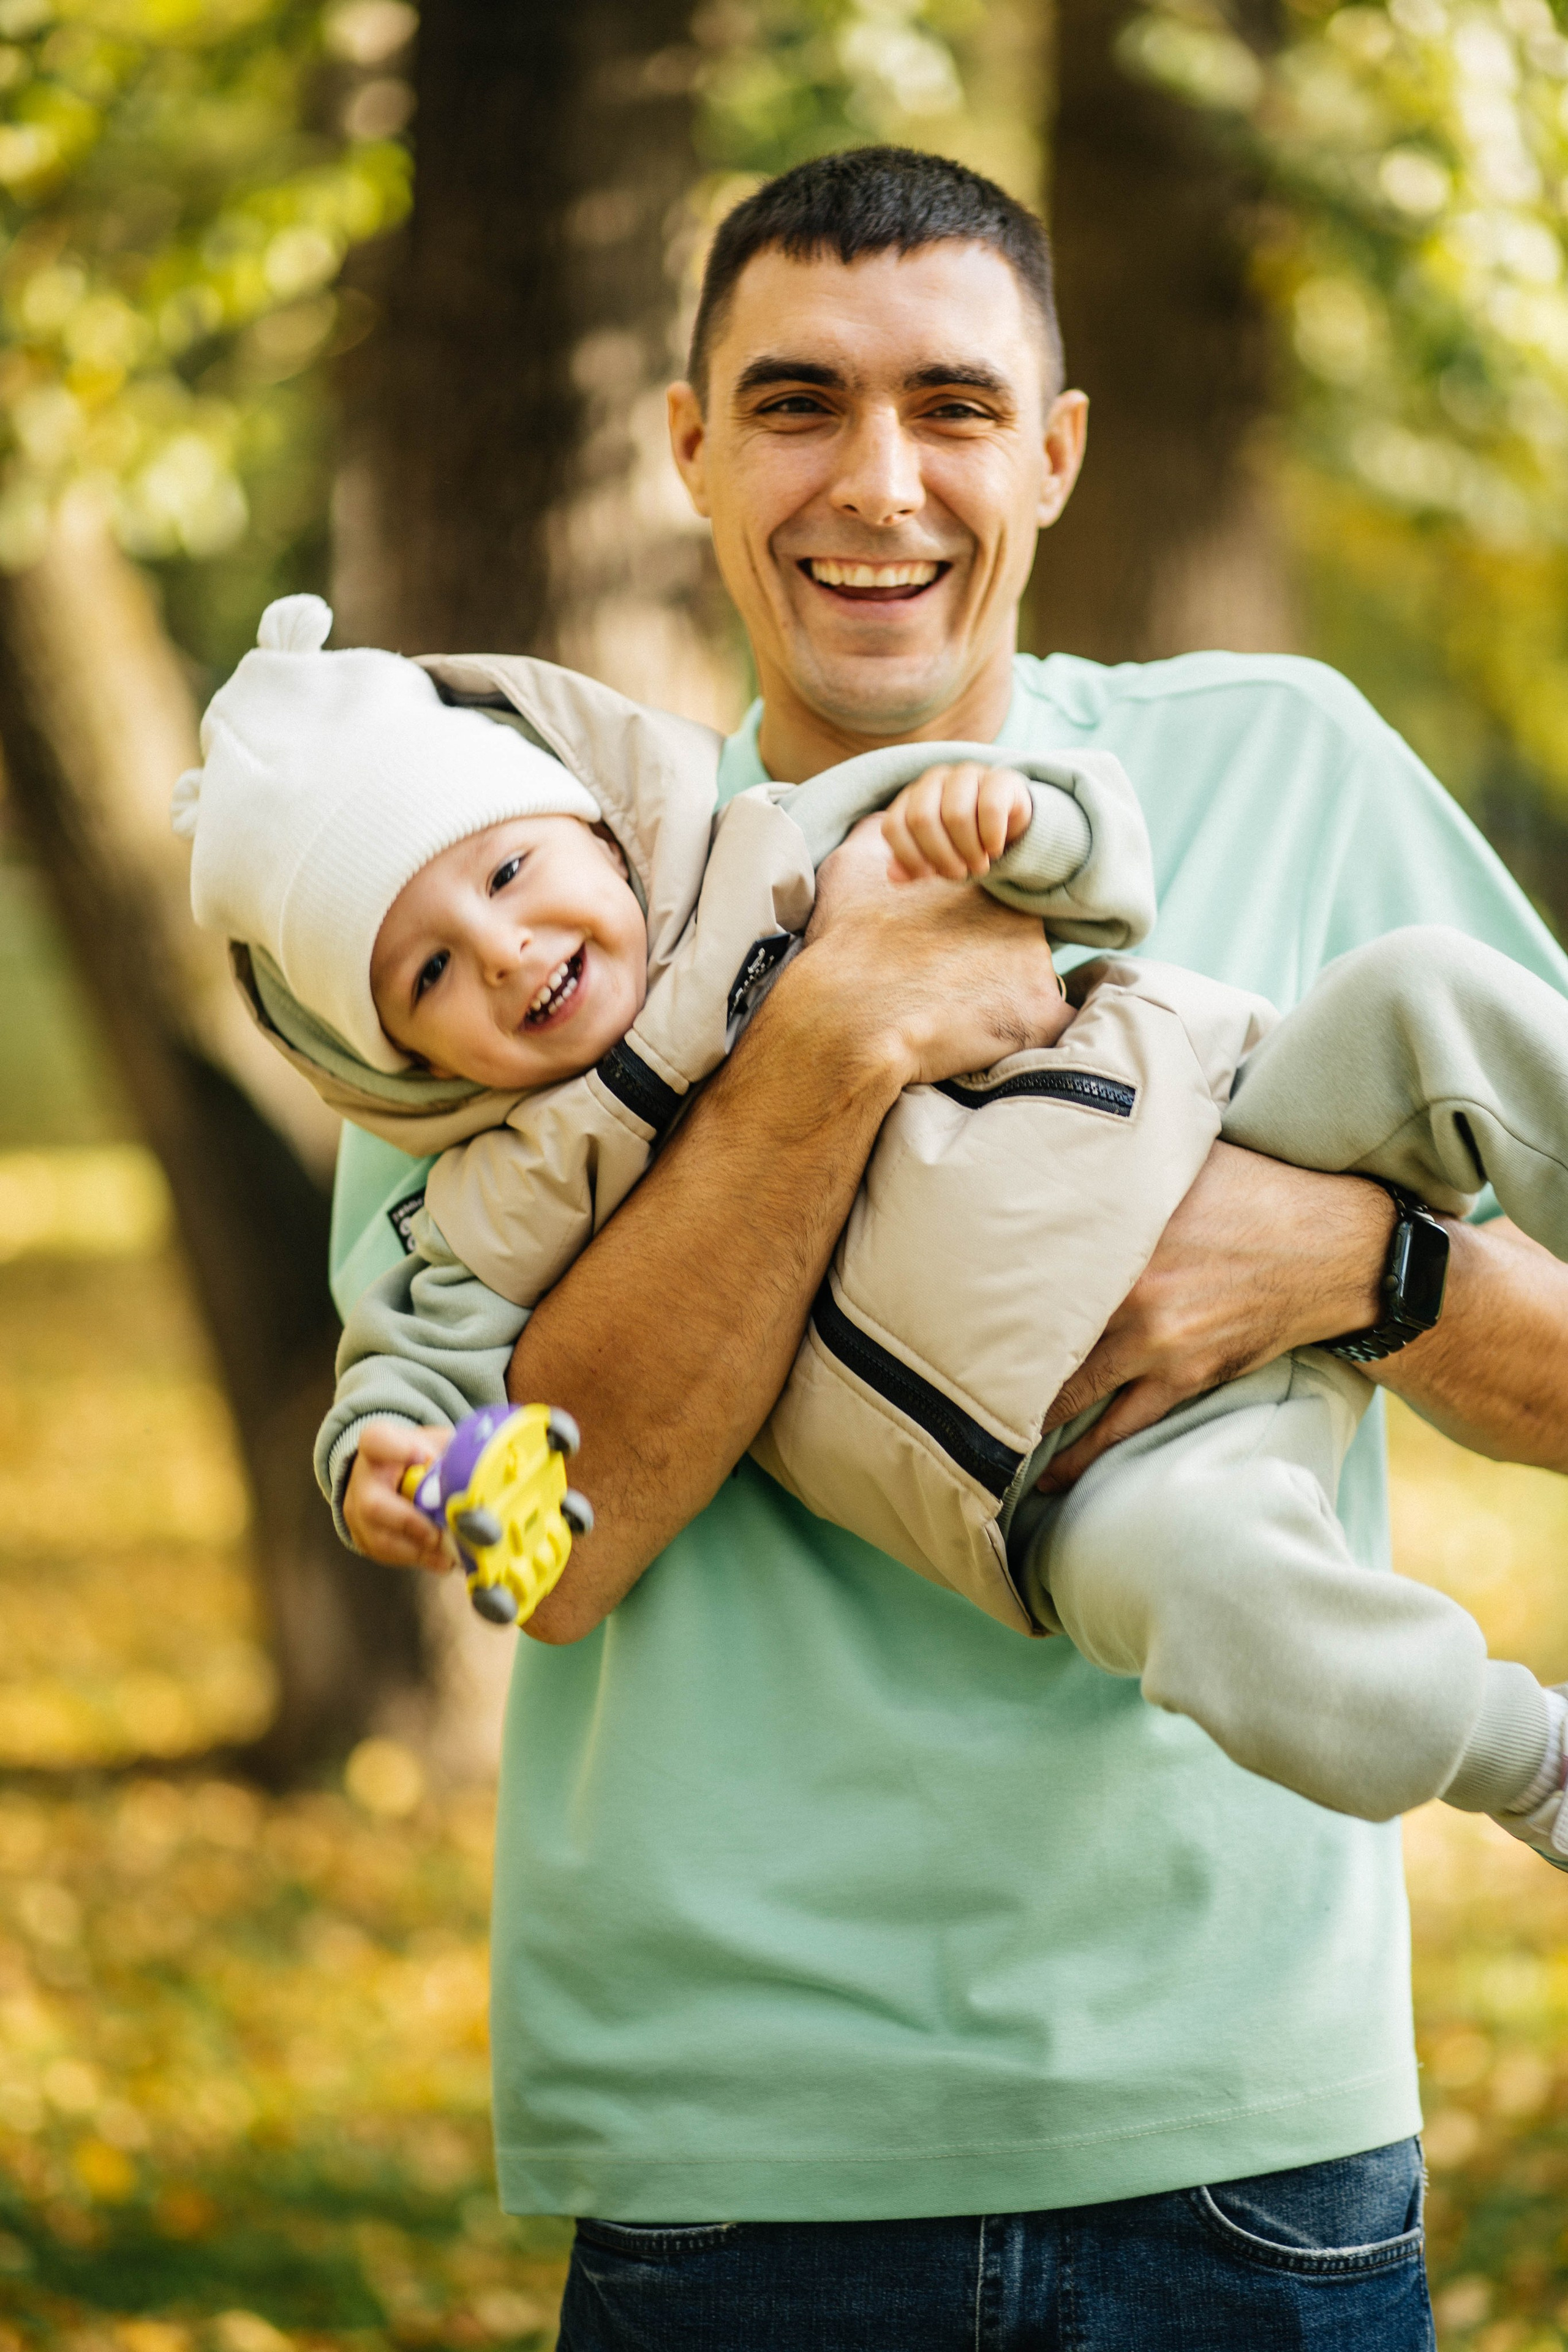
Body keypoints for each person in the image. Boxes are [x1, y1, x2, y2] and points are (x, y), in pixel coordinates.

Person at [322, 148, 1568, 2347]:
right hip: (742, 2162)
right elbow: (548, 1552)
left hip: (1243, 2142)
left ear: (1058, 451)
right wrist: (820, 1052)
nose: (875, 484)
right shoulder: (502, 953)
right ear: (686, 445)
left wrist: (1369, 1273)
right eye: (795, 403)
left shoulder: (1283, 765)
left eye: (955, 409)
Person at [180, 594, 1568, 1850]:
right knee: (1234, 1619)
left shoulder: (780, 852)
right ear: (404, 1064)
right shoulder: (496, 1195)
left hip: (1229, 1118)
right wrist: (392, 1466)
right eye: (428, 972)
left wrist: (1011, 827)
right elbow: (419, 1384)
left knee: (1425, 993)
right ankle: (1530, 1762)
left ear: (594, 824)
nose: (504, 951)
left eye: (502, 875)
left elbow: (1080, 854)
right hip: (1073, 1479)